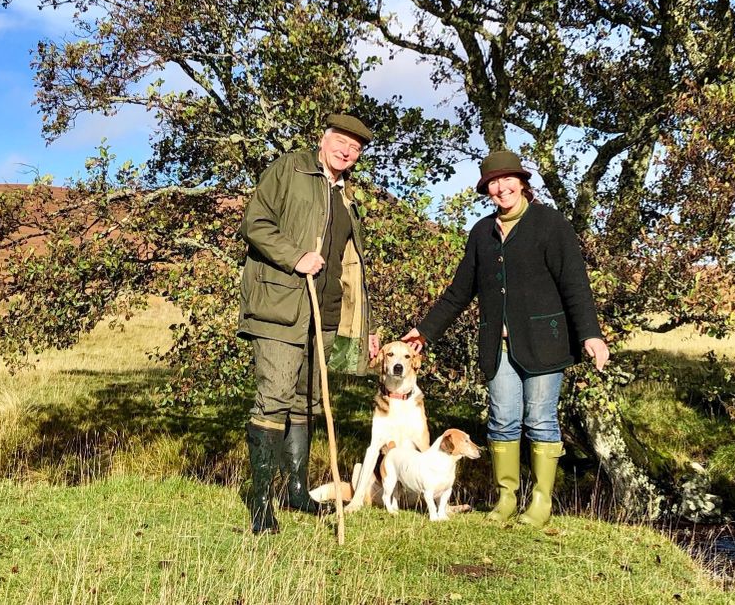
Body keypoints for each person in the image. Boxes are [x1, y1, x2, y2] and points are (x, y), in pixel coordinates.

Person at [402, 150, 610, 528]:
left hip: (546, 343)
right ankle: (505, 499)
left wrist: (590, 335)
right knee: (502, 421)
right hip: (497, 348)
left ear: (522, 182)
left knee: (541, 420)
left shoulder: (551, 224)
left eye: (507, 179)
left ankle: (542, 502)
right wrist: (425, 330)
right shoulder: (482, 232)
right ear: (487, 190)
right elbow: (459, 291)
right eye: (492, 183)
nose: (501, 188)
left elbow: (575, 284)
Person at [237, 114, 381, 534]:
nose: (347, 151)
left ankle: (297, 492)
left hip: (327, 313)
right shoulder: (290, 168)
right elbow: (255, 224)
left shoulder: (346, 195)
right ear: (324, 139)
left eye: (355, 149)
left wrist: (365, 324)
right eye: (341, 142)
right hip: (281, 307)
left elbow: (349, 265)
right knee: (276, 397)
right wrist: (295, 255)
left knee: (307, 402)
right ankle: (261, 506)